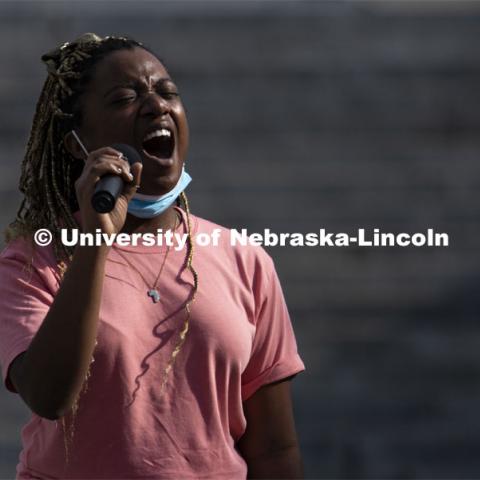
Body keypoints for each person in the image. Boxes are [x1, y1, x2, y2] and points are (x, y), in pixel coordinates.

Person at [0, 33, 306, 479]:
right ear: (76, 143)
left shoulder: (244, 259)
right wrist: (93, 242)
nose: (156, 106)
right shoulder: (33, 260)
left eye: (167, 93)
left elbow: (275, 449)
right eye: (126, 97)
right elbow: (48, 395)